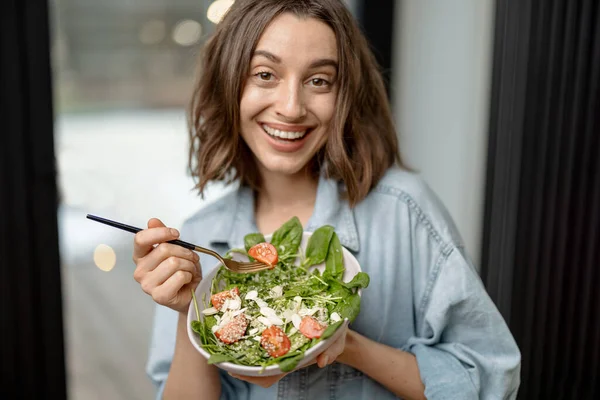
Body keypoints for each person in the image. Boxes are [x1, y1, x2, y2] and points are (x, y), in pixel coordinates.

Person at [132, 0, 521, 399]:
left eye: (319, 81)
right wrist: (190, 312)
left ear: (346, 95)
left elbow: (489, 378)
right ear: (229, 84)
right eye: (265, 74)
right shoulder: (200, 235)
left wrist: (347, 346)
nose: (290, 108)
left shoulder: (402, 211)